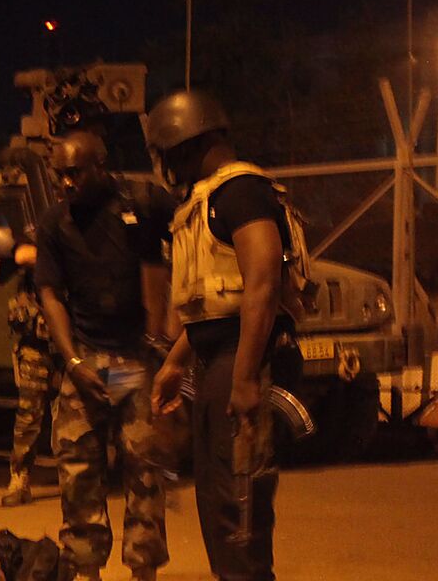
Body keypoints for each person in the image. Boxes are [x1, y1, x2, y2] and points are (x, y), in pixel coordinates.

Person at [146, 92, 306, 581]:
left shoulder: (240, 191)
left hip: (246, 356)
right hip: (220, 356)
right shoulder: (211, 196)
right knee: (220, 497)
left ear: (184, 144)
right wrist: (175, 362)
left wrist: (243, 377)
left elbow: (261, 284)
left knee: (241, 504)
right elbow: (219, 305)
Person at [33, 132, 175, 581]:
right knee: (78, 473)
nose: (67, 183)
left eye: (76, 173)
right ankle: (86, 570)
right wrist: (73, 362)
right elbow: (50, 295)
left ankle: (143, 569)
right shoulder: (56, 223)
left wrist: (169, 337)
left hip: (134, 360)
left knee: (144, 469)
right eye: (61, 175)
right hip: (87, 361)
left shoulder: (143, 204)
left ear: (101, 166)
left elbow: (183, 246)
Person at [0, 145, 53, 509]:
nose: (10, 178)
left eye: (16, 172)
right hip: (37, 330)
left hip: (73, 329)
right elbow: (17, 255)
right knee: (29, 412)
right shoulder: (19, 215)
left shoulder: (56, 208)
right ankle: (20, 476)